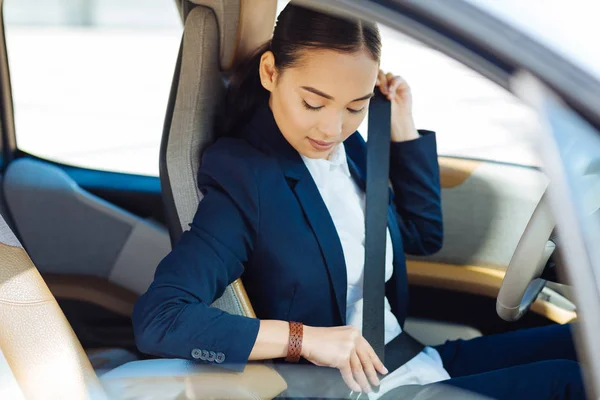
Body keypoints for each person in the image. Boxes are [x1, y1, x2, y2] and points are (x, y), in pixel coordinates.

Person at [132, 3, 584, 399]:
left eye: (356, 106)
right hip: (355, 390)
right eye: (313, 103)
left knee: (584, 341)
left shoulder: (348, 150)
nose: (332, 128)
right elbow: (160, 318)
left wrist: (401, 128)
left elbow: (422, 236)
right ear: (271, 73)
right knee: (570, 382)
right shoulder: (243, 176)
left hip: (407, 358)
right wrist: (304, 340)